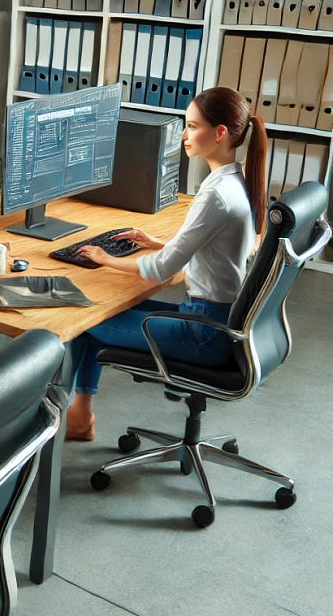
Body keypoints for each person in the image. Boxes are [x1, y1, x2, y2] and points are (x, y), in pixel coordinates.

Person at [63, 85, 267, 442]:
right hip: (218, 319)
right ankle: (81, 417)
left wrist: (103, 257)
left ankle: (71, 419)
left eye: (192, 126)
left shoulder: (216, 194)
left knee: (83, 322)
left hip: (205, 333)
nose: (184, 135)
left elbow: (160, 270)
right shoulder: (236, 182)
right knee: (99, 317)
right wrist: (159, 242)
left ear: (219, 134)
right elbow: (219, 248)